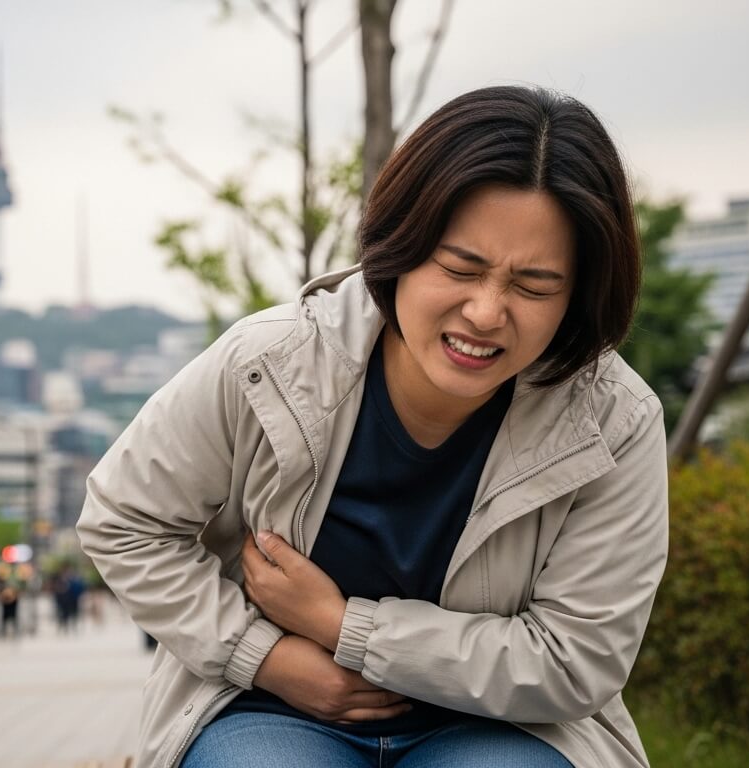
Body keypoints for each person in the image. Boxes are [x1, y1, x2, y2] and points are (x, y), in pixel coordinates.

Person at [78, 86, 668, 768]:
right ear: (402, 246)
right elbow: (123, 520)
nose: (486, 311)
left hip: (509, 728)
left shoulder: (613, 422)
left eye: (534, 287)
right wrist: (263, 656)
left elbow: (576, 659)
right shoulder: (270, 363)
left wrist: (342, 627)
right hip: (270, 708)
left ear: (580, 295)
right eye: (460, 267)